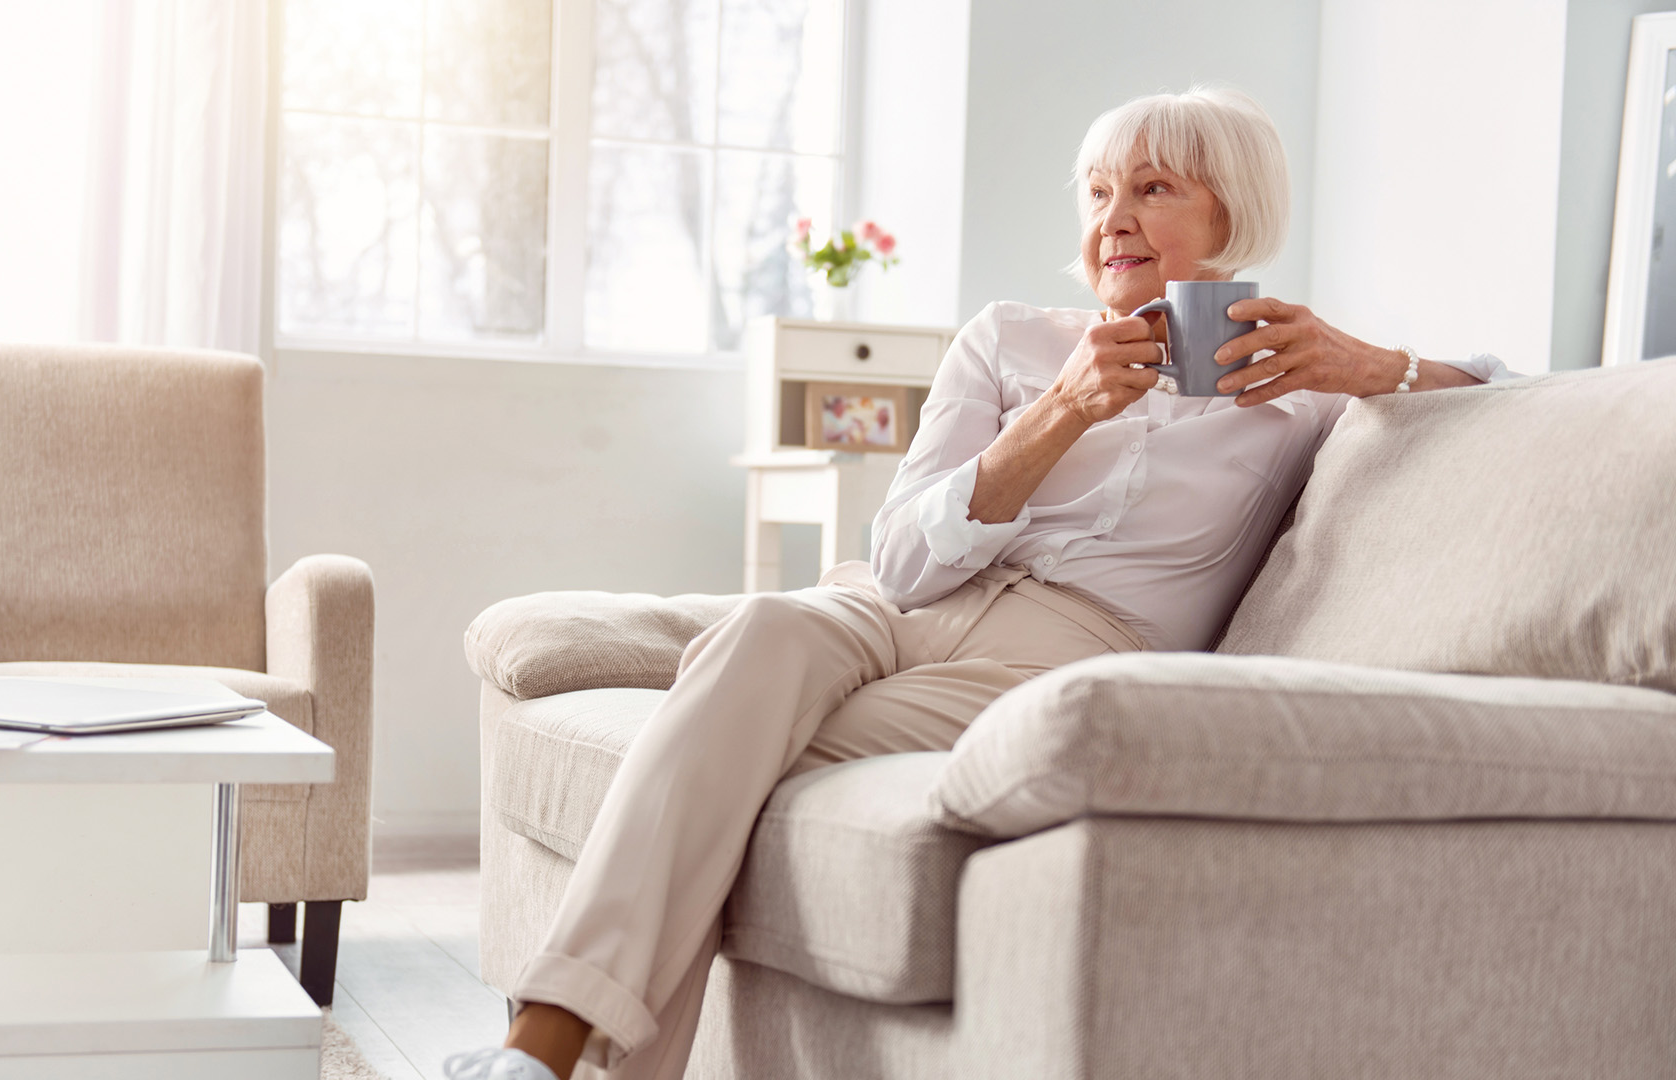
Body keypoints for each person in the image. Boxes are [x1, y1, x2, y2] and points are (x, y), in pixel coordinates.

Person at [446, 85, 1518, 1080]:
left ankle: (538, 1055)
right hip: (896, 606)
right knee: (761, 636)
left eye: (1153, 189)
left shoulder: (1296, 398)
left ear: (1232, 218)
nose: (1115, 217)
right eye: (1099, 192)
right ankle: (540, 1054)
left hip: (1060, 654)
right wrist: (1060, 413)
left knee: (719, 747)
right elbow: (906, 557)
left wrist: (1379, 367)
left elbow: (1507, 395)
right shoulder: (1011, 340)